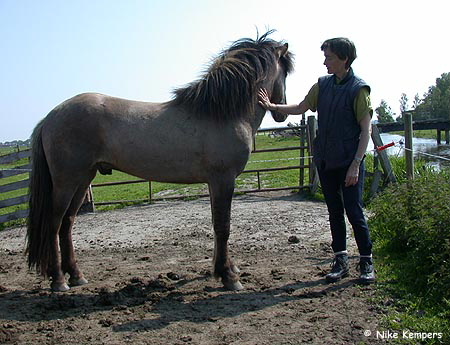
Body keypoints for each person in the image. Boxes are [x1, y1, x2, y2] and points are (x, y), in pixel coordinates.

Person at [258, 37, 375, 284]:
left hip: (349, 162)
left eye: (329, 57)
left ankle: (366, 262)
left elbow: (366, 132)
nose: (325, 62)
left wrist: (356, 164)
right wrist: (272, 105)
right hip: (327, 160)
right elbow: (301, 107)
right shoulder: (321, 86)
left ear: (344, 59)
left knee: (354, 212)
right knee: (334, 211)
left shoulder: (359, 90)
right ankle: (341, 261)